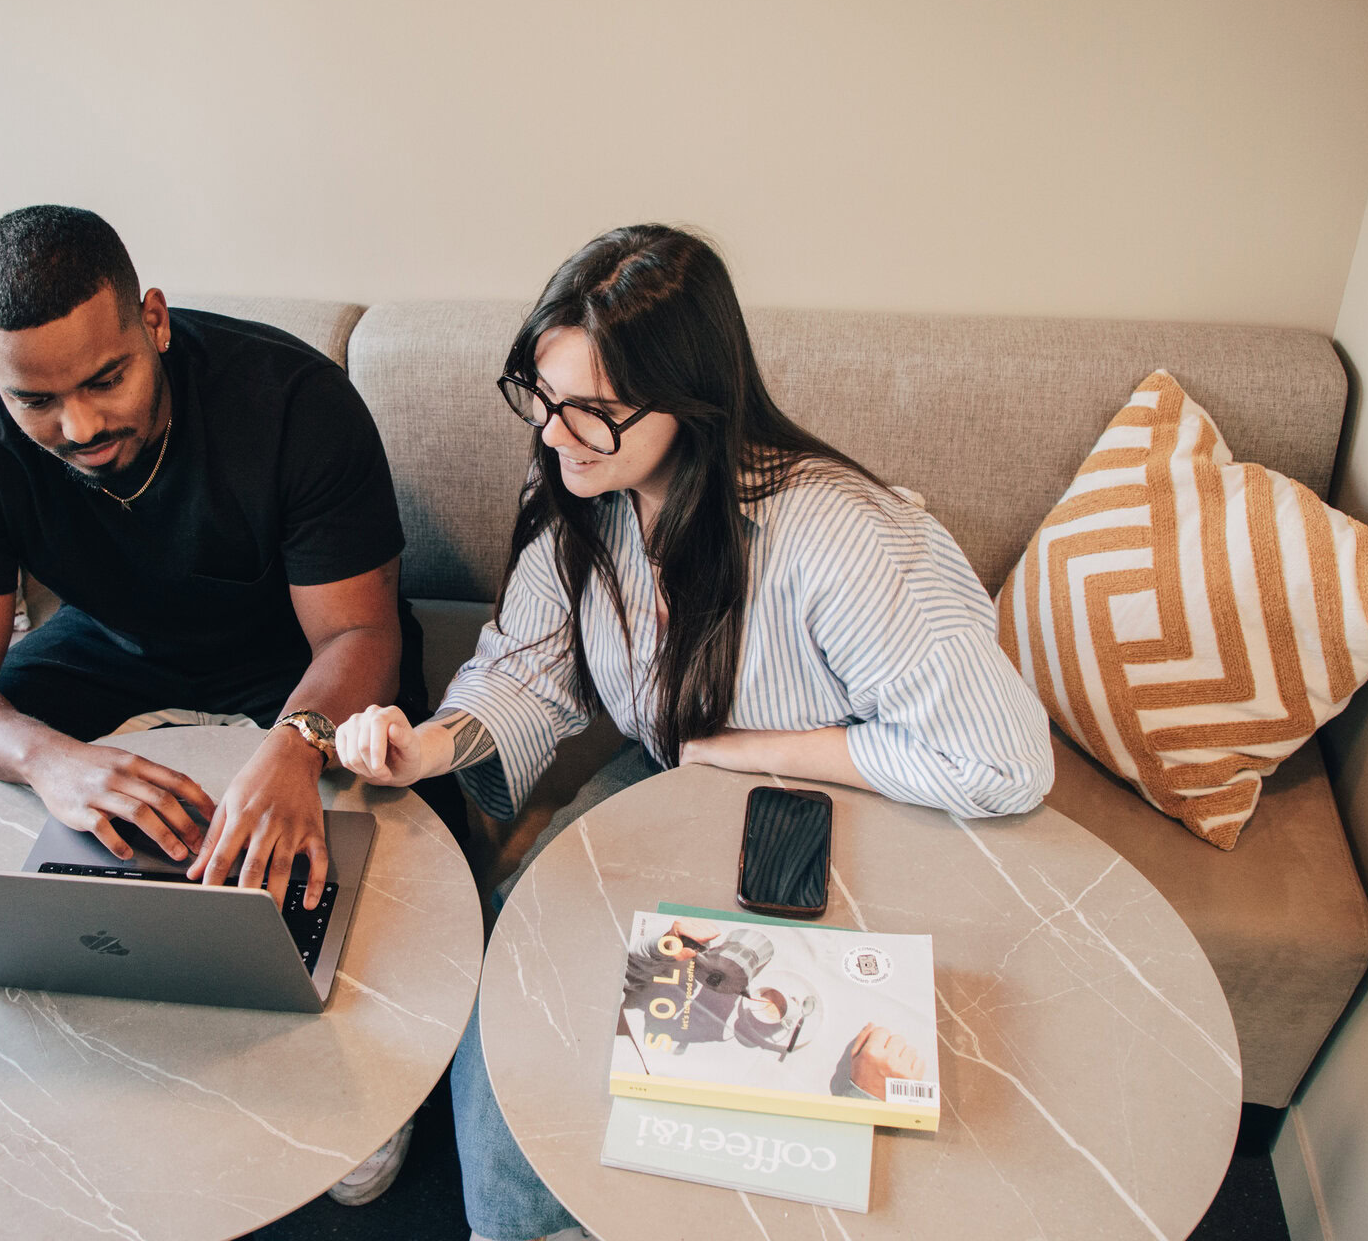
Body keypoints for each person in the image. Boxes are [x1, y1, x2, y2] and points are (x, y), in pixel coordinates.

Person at [333, 224, 1053, 1241]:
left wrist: (758, 748)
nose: (555, 433)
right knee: (526, 938)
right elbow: (527, 672)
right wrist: (428, 743)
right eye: (541, 399)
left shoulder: (830, 532)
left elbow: (1002, 758)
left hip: (847, 794)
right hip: (673, 775)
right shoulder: (578, 497)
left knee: (761, 1043)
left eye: (593, 409)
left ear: (690, 395)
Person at [0, 205, 424, 1204]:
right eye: (36, 398)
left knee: (394, 805)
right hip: (120, 645)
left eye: (104, 379)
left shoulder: (292, 397)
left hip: (294, 648)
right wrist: (48, 758)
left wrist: (296, 746)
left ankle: (360, 1077)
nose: (78, 427)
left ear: (153, 321)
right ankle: (56, 1009)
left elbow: (360, 634)